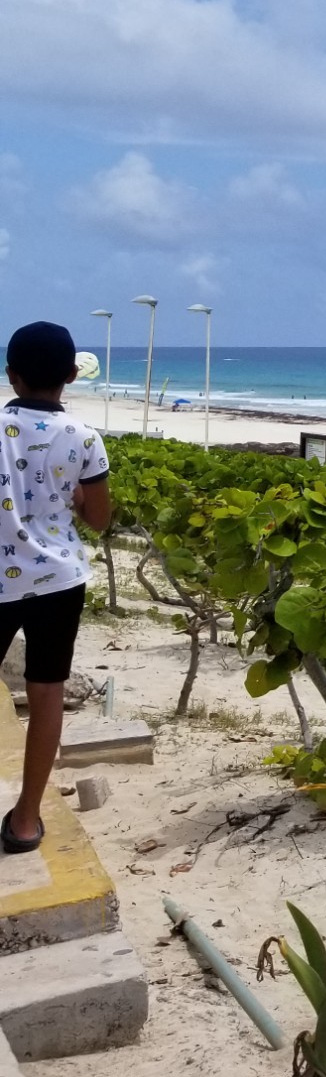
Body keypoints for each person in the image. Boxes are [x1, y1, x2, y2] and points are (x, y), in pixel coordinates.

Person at [0, 323, 110, 854]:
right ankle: (25, 822)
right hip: (59, 581)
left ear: (10, 374)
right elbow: (100, 520)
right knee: (47, 696)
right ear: (71, 375)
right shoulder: (85, 438)